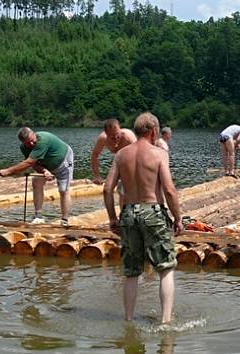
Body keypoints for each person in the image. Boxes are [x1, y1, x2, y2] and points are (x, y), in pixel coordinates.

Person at [104, 112, 183, 324]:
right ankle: (166, 321)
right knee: (165, 268)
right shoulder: (159, 154)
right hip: (153, 211)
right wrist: (178, 218)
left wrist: (112, 218)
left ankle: (128, 320)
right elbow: (169, 189)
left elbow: (107, 188)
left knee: (131, 271)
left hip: (128, 213)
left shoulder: (121, 155)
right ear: (154, 131)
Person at [0, 128, 74, 226]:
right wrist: (44, 171)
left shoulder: (43, 140)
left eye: (32, 141)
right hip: (46, 164)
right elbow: (33, 164)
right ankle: (39, 217)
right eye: (28, 143)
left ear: (34, 134)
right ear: (23, 142)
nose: (32, 144)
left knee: (63, 190)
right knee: (36, 182)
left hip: (63, 161)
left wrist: (8, 171)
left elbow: (29, 162)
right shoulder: (24, 148)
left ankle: (65, 220)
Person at [90, 119, 136, 205]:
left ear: (120, 130)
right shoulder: (103, 138)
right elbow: (94, 156)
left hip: (133, 162)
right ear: (106, 134)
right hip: (119, 162)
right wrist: (97, 175)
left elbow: (141, 154)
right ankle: (119, 215)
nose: (115, 138)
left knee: (126, 191)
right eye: (112, 136)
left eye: (117, 135)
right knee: (108, 189)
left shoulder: (128, 137)